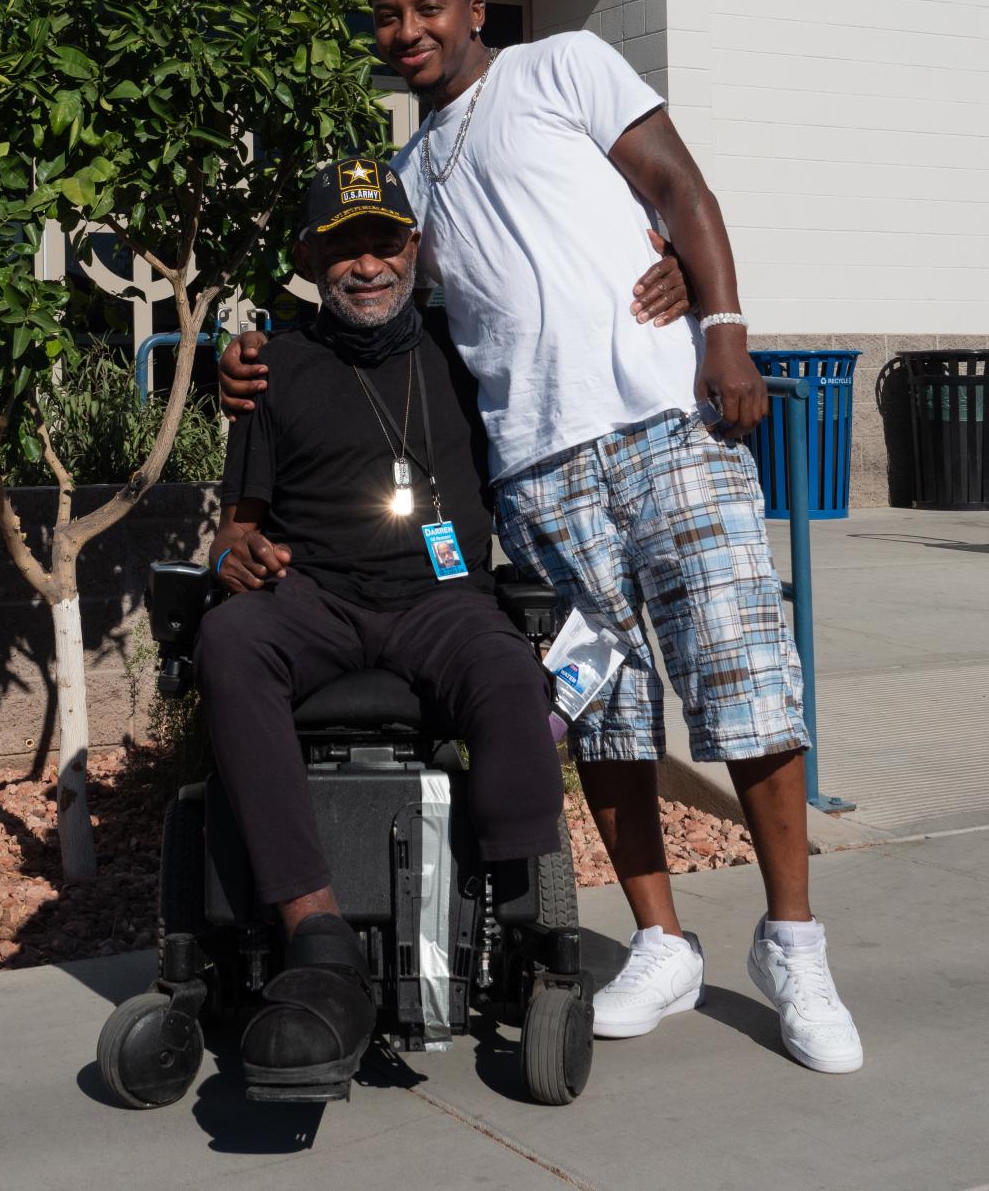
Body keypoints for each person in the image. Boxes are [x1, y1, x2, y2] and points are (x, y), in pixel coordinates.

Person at [222, 0, 863, 1077]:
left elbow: (675, 184)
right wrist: (246, 364)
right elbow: (367, 319)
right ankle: (659, 940)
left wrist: (720, 327)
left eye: (425, 7)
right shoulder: (409, 181)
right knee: (606, 710)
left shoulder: (560, 64)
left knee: (744, 680)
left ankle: (792, 945)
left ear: (472, 10)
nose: (406, 30)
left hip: (663, 422)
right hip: (534, 473)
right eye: (385, 16)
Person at [201, 154, 686, 1097]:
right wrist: (236, 555)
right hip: (320, 597)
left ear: (415, 249)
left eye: (385, 240)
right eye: (345, 247)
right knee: (228, 640)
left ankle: (526, 924)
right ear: (311, 259)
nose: (368, 265)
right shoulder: (272, 362)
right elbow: (238, 527)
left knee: (510, 673)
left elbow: (583, 307)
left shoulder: (466, 348)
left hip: (442, 599)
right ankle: (315, 927)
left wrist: (693, 273)